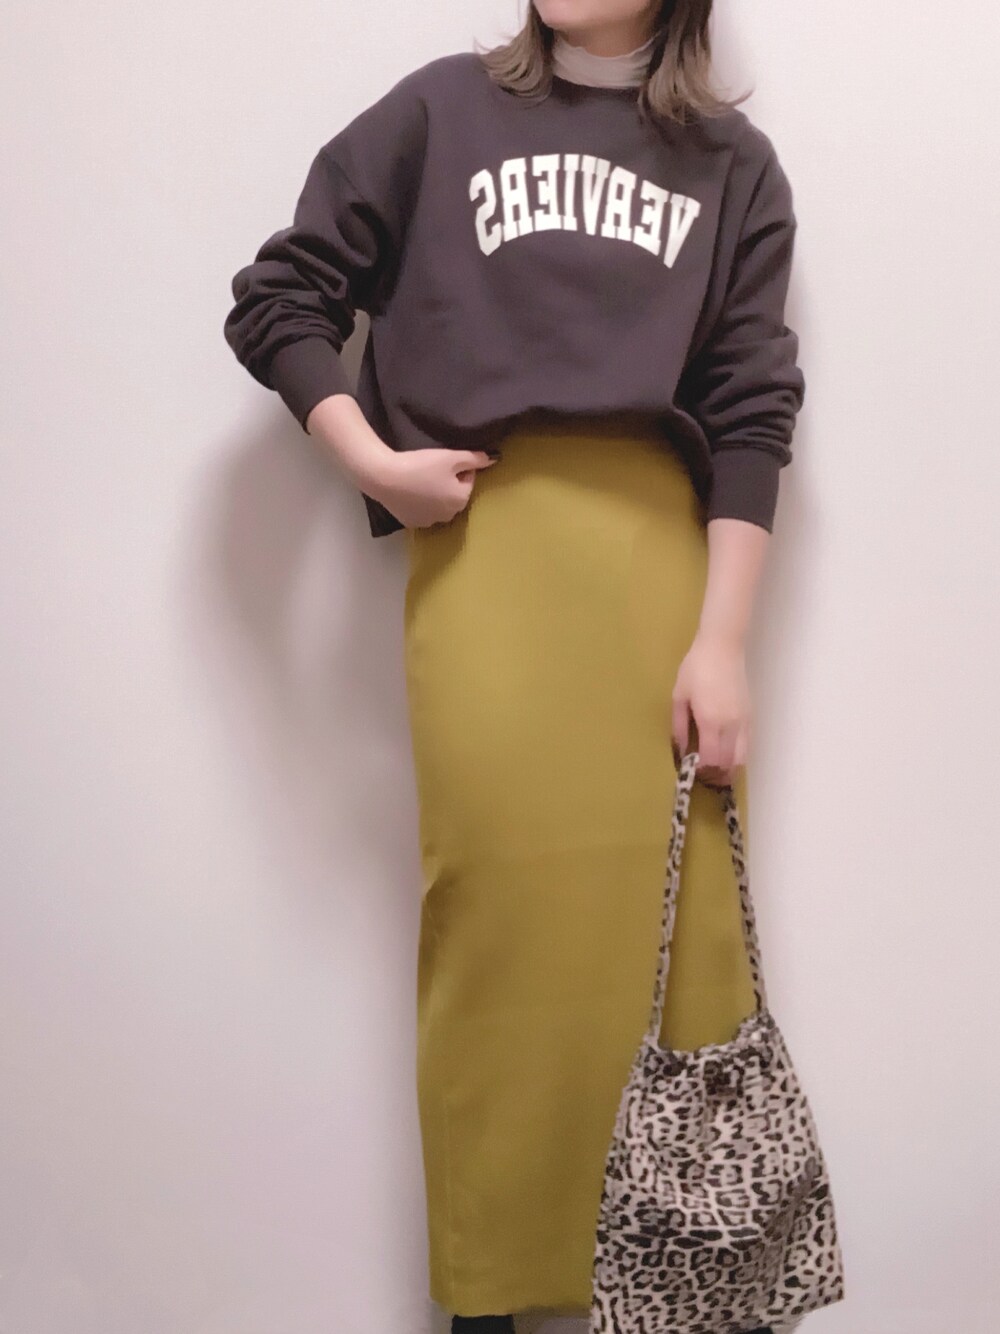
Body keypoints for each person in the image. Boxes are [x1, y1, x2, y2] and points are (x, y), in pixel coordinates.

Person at [223, 2, 804, 1331]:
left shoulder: (733, 164)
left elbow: (750, 405)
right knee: (493, 933)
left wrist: (723, 641)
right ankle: (491, 1294)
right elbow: (280, 296)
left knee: (687, 946)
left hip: (661, 580)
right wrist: (374, 464)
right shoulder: (441, 111)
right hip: (489, 570)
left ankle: (694, 1288)